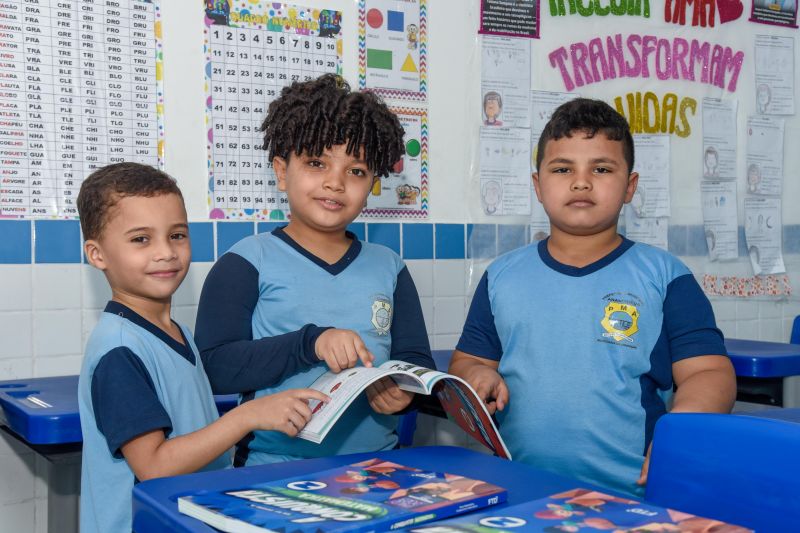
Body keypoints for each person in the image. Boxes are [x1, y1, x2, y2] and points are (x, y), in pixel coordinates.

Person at [449, 98, 735, 497]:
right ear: (538, 185)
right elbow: (468, 363)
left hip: (632, 495)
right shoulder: (501, 276)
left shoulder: (667, 277)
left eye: (601, 169)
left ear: (629, 186)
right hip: (517, 491)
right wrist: (476, 375)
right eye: (563, 169)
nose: (581, 182)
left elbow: (709, 373)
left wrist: (681, 433)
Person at [76, 163, 328, 533]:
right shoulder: (119, 349)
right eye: (141, 239)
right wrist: (247, 416)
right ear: (97, 254)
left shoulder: (176, 332)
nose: (166, 252)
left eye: (177, 235)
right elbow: (155, 466)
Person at [195, 74, 433, 466]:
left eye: (356, 171)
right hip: (269, 469)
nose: (335, 183)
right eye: (316, 163)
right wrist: (311, 343)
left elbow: (416, 359)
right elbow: (215, 368)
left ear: (373, 181)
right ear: (282, 171)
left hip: (377, 468)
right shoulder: (245, 263)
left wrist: (405, 392)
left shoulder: (390, 267)